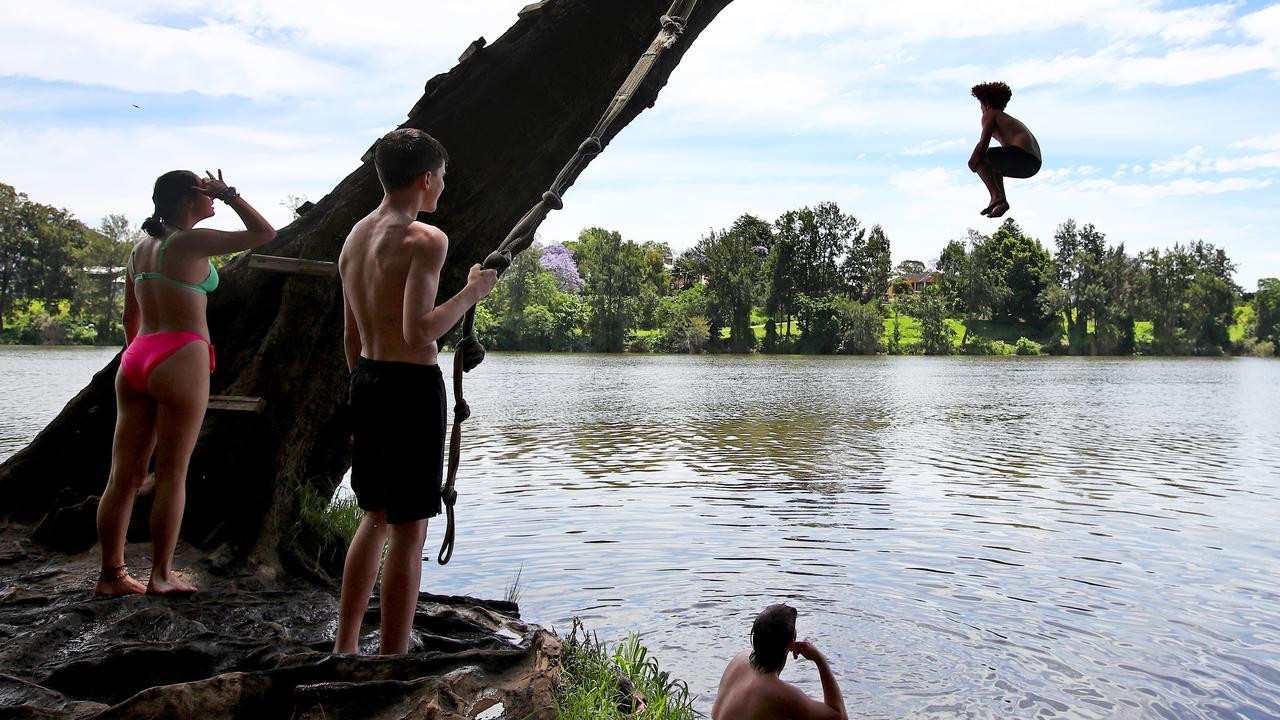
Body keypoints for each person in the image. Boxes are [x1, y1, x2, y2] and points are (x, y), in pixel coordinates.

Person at [332, 128, 498, 655]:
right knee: (408, 529)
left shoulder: (355, 236)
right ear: (427, 179)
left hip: (367, 379)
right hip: (409, 388)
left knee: (375, 517)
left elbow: (351, 335)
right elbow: (419, 330)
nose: (443, 188)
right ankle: (394, 655)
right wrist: (473, 291)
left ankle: (345, 645)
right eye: (443, 178)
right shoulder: (425, 239)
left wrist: (360, 395)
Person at [95, 169, 276, 596]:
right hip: (181, 353)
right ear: (187, 198)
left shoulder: (141, 249)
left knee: (123, 475)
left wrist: (143, 360)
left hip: (138, 356)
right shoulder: (191, 240)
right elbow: (264, 233)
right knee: (173, 473)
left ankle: (111, 576)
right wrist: (229, 195)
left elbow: (130, 316)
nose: (210, 196)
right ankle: (161, 576)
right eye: (204, 189)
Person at [711, 604, 848, 720]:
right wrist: (820, 660)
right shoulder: (779, 693)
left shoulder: (739, 660)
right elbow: (840, 715)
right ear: (791, 644)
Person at [968, 81, 1042, 218]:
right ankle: (1001, 201)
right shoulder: (1005, 118)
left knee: (981, 157)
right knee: (993, 165)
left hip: (1022, 156)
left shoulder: (990, 114)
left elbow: (983, 144)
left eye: (981, 104)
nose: (981, 108)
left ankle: (996, 196)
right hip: (1033, 164)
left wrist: (973, 162)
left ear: (987, 103)